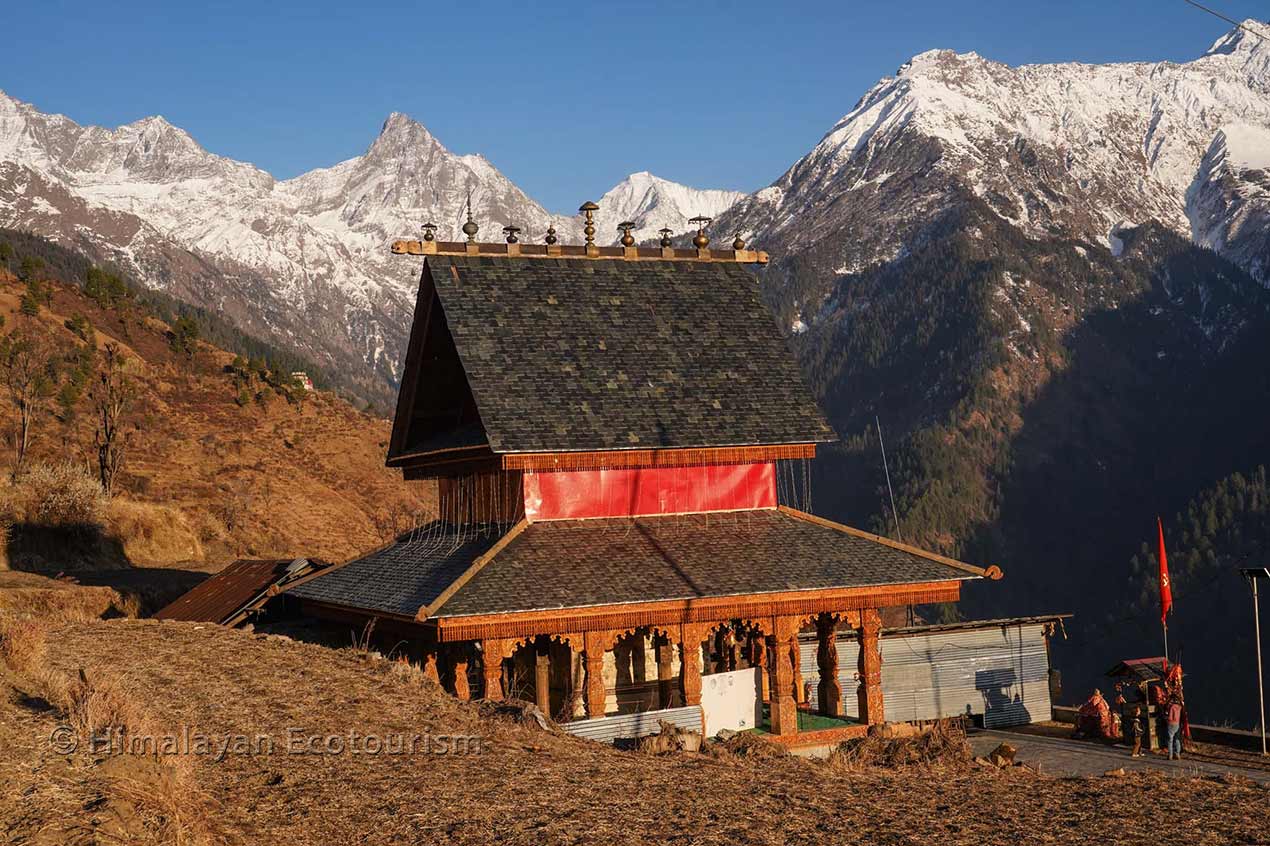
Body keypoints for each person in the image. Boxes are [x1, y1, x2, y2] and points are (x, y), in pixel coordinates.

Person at [1166, 695, 1184, 760]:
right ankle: (1177, 754)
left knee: (1170, 740)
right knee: (1177, 739)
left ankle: (1170, 755)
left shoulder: (1172, 707)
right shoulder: (1180, 707)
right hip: (1177, 724)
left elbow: (1170, 717)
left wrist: (1167, 719)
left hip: (1171, 724)